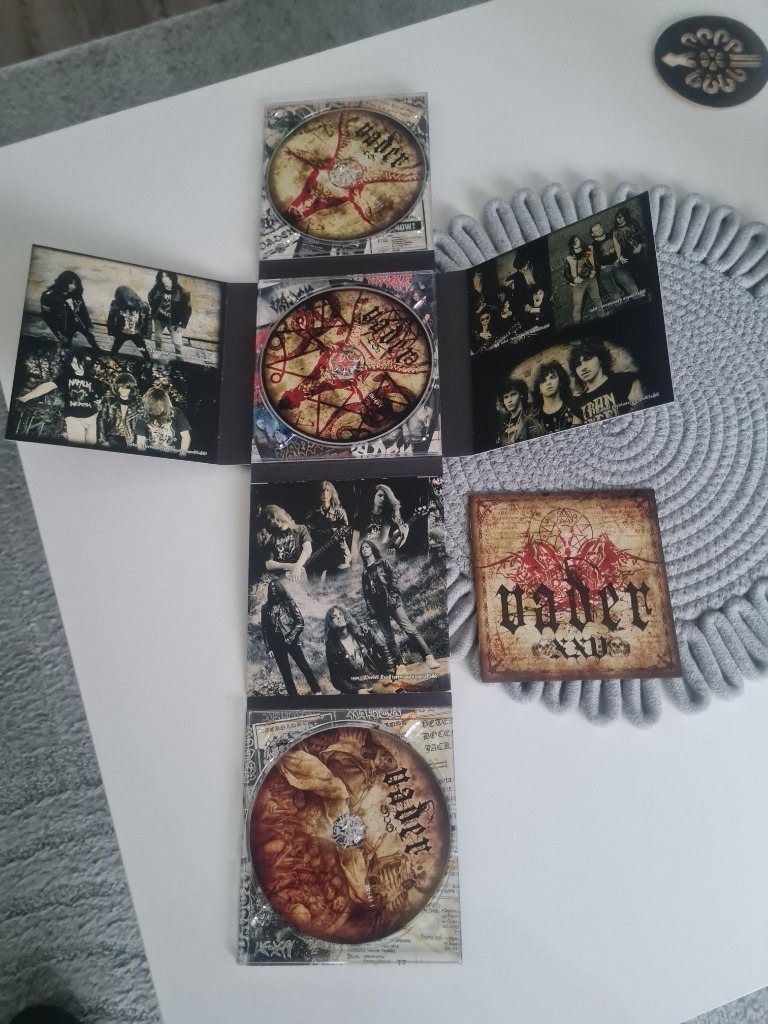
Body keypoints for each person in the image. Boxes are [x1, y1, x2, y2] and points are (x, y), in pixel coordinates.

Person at [360, 540, 439, 671]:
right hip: (379, 609)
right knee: (389, 638)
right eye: (362, 548)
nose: (364, 549)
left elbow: (394, 579)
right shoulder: (364, 574)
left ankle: (429, 657)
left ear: (372, 549)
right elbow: (366, 595)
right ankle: (400, 666)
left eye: (367, 547)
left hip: (392, 602)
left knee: (410, 629)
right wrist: (371, 610)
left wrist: (393, 596)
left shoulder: (383, 563)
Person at [17, 351, 103, 445]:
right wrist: (28, 396)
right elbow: (48, 386)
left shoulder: (94, 381)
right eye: (74, 363)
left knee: (91, 446)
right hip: (73, 418)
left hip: (91, 417)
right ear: (70, 364)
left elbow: (101, 398)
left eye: (79, 362)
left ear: (84, 362)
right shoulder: (66, 377)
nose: (77, 366)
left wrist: (97, 408)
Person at [260, 579, 321, 696]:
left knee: (304, 666)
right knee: (285, 673)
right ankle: (293, 698)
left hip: (291, 640)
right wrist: (269, 648)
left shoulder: (289, 602)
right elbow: (264, 629)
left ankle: (317, 691)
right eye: (271, 588)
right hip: (276, 644)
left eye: (275, 587)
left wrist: (291, 638)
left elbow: (300, 622)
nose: (273, 590)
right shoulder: (265, 608)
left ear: (280, 588)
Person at [568, 338, 645, 423]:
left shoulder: (627, 380)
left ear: (600, 359)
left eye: (587, 359)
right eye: (578, 364)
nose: (583, 368)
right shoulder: (577, 403)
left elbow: (641, 418)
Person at [324, 605, 394, 693]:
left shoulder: (364, 631)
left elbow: (383, 649)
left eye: (341, 614)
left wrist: (389, 673)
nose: (339, 617)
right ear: (330, 624)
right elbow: (337, 680)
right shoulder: (332, 648)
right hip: (357, 687)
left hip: (377, 677)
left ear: (346, 616)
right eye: (334, 616)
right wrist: (357, 691)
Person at [305, 481, 351, 582]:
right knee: (314, 582)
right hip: (319, 551)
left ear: (332, 493)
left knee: (335, 584)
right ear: (318, 494)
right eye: (322, 491)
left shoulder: (340, 512)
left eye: (327, 491)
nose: (325, 494)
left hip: (337, 552)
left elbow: (346, 530)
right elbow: (311, 533)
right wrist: (330, 532)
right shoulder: (311, 514)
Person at [39, 270, 98, 350]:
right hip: (64, 325)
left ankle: (97, 351)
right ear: (63, 282)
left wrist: (88, 324)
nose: (74, 286)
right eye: (71, 283)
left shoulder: (75, 293)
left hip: (77, 321)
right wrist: (58, 333)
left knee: (90, 336)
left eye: (75, 284)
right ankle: (63, 352)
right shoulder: (49, 297)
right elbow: (48, 319)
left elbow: (83, 310)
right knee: (66, 344)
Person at [525, 359, 582, 437]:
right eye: (543, 380)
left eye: (552, 377)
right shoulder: (532, 420)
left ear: (560, 381)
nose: (549, 383)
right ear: (538, 388)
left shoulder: (575, 404)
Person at [351, 484, 408, 561]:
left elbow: (397, 544)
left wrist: (404, 535)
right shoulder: (361, 517)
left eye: (385, 497)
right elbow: (355, 543)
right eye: (380, 495)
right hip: (364, 560)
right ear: (374, 496)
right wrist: (355, 562)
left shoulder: (390, 519)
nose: (382, 499)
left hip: (382, 560)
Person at [256, 504, 313, 582]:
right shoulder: (271, 538)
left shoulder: (300, 529)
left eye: (273, 516)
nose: (273, 521)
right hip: (281, 579)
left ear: (279, 514)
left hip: (299, 575)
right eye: (270, 520)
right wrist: (290, 566)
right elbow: (268, 564)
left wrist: (297, 567)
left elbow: (307, 549)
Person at [589, 221, 639, 303]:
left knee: (629, 283)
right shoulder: (593, 245)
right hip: (605, 269)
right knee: (612, 291)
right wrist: (600, 266)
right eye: (596, 230)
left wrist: (618, 258)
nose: (599, 231)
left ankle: (640, 300)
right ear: (592, 234)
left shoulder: (610, 235)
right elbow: (592, 259)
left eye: (600, 228)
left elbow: (617, 246)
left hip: (616, 263)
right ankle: (621, 308)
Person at [135, 387, 191, 457]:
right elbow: (140, 442)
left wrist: (181, 456)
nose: (157, 408)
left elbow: (186, 436)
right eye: (154, 405)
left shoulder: (176, 413)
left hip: (174, 457)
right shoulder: (142, 417)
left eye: (160, 405)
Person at [147, 270, 191, 358]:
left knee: (177, 342)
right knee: (158, 337)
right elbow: (150, 296)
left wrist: (183, 325)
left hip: (174, 322)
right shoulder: (158, 288)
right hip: (159, 319)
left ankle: (178, 356)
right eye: (162, 276)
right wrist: (154, 309)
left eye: (167, 276)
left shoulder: (183, 292)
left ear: (172, 277)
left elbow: (187, 309)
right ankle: (158, 350)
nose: (164, 279)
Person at [97, 371, 143, 448]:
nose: (123, 390)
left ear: (131, 389)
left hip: (131, 441)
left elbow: (141, 426)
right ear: (117, 387)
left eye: (126, 388)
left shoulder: (137, 404)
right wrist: (103, 441)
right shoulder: (108, 401)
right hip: (112, 438)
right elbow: (101, 420)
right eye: (121, 387)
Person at [563, 235, 603, 322]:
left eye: (577, 240)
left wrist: (595, 271)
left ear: (580, 240)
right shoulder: (570, 257)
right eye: (574, 242)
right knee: (577, 306)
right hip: (579, 283)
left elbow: (596, 261)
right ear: (571, 245)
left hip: (591, 279)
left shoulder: (588, 249)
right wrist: (573, 280)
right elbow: (566, 273)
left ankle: (602, 317)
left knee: (597, 299)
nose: (576, 243)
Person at [107, 285, 152, 360]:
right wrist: (111, 332)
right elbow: (111, 318)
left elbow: (148, 321)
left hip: (136, 333)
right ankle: (112, 358)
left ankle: (147, 360)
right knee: (115, 348)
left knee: (143, 350)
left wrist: (147, 336)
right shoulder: (116, 303)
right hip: (122, 332)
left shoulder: (143, 305)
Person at [612, 206, 647, 288]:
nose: (618, 219)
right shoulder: (614, 231)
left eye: (621, 216)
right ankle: (641, 291)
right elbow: (615, 246)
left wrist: (639, 246)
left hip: (637, 252)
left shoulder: (633, 224)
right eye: (617, 217)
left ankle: (649, 289)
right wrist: (620, 257)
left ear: (625, 216)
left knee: (644, 272)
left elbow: (643, 236)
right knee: (633, 276)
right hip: (625, 256)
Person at [496, 374, 530, 446]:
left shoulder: (531, 415)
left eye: (513, 394)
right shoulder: (503, 422)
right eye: (506, 397)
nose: (509, 400)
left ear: (521, 394)